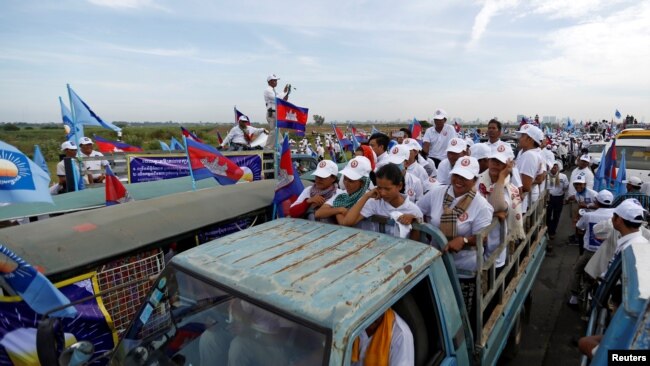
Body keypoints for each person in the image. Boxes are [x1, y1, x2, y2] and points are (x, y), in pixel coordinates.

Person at [412, 156, 493, 325]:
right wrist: (410, 215)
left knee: (458, 314)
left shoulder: (481, 205)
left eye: (465, 177)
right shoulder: (437, 192)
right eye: (456, 175)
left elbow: (482, 238)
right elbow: (419, 210)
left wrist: (463, 240)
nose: (459, 180)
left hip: (463, 269)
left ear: (475, 180)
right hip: (436, 262)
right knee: (435, 310)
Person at [340, 164, 423, 238]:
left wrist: (414, 222)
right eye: (379, 188)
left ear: (400, 186)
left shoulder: (413, 210)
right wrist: (367, 196)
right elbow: (347, 222)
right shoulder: (374, 203)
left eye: (387, 189)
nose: (383, 193)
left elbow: (417, 242)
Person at [477, 151, 524, 273]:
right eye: (493, 161)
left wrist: (502, 177)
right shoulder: (478, 181)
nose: (495, 165)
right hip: (477, 240)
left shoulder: (510, 188)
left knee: (495, 273)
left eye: (499, 163)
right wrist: (494, 214)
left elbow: (498, 206)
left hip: (497, 243)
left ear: (506, 167)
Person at [567, 190, 615, 309]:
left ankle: (574, 297)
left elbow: (579, 226)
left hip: (590, 252)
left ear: (596, 201)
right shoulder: (615, 216)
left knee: (576, 270)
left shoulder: (589, 215)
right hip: (608, 253)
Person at [315, 156, 371, 225]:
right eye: (345, 179)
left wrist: (337, 208)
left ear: (362, 183)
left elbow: (344, 222)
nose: (346, 183)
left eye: (351, 181)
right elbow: (318, 213)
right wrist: (340, 209)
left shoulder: (368, 199)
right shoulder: (342, 195)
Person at [514, 124, 545, 212]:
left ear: (530, 139)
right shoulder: (529, 153)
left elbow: (526, 186)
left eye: (523, 136)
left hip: (519, 205)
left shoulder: (529, 155)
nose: (519, 138)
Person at [264, 74, 289, 151]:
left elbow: (283, 99)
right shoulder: (268, 90)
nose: (276, 82)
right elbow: (277, 98)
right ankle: (267, 148)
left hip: (276, 112)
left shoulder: (274, 90)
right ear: (270, 81)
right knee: (274, 130)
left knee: (277, 130)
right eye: (274, 80)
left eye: (276, 80)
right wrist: (284, 92)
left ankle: (281, 144)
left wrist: (286, 93)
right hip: (272, 112)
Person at [546, 161, 569, 242]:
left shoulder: (563, 176)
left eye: (555, 167)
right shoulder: (547, 176)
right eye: (552, 167)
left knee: (556, 216)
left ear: (558, 168)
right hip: (549, 198)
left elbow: (566, 187)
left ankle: (552, 231)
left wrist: (565, 198)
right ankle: (547, 230)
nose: (553, 169)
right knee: (547, 215)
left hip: (559, 198)